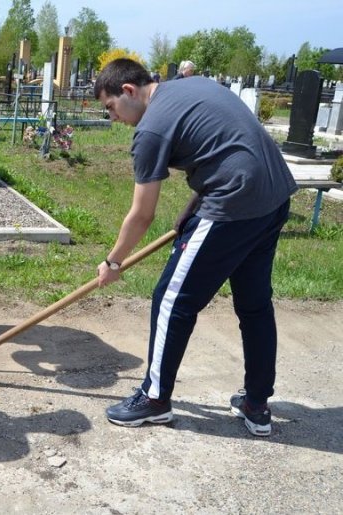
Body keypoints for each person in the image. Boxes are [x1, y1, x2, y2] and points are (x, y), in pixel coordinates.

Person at [93, 58, 297, 436]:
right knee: (254, 305)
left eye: (110, 108)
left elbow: (141, 215)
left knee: (173, 300)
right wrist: (190, 212)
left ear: (128, 91)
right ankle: (257, 404)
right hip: (273, 195)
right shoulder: (188, 87)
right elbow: (219, 149)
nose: (113, 119)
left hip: (234, 200)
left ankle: (154, 400)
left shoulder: (150, 129)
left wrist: (113, 261)